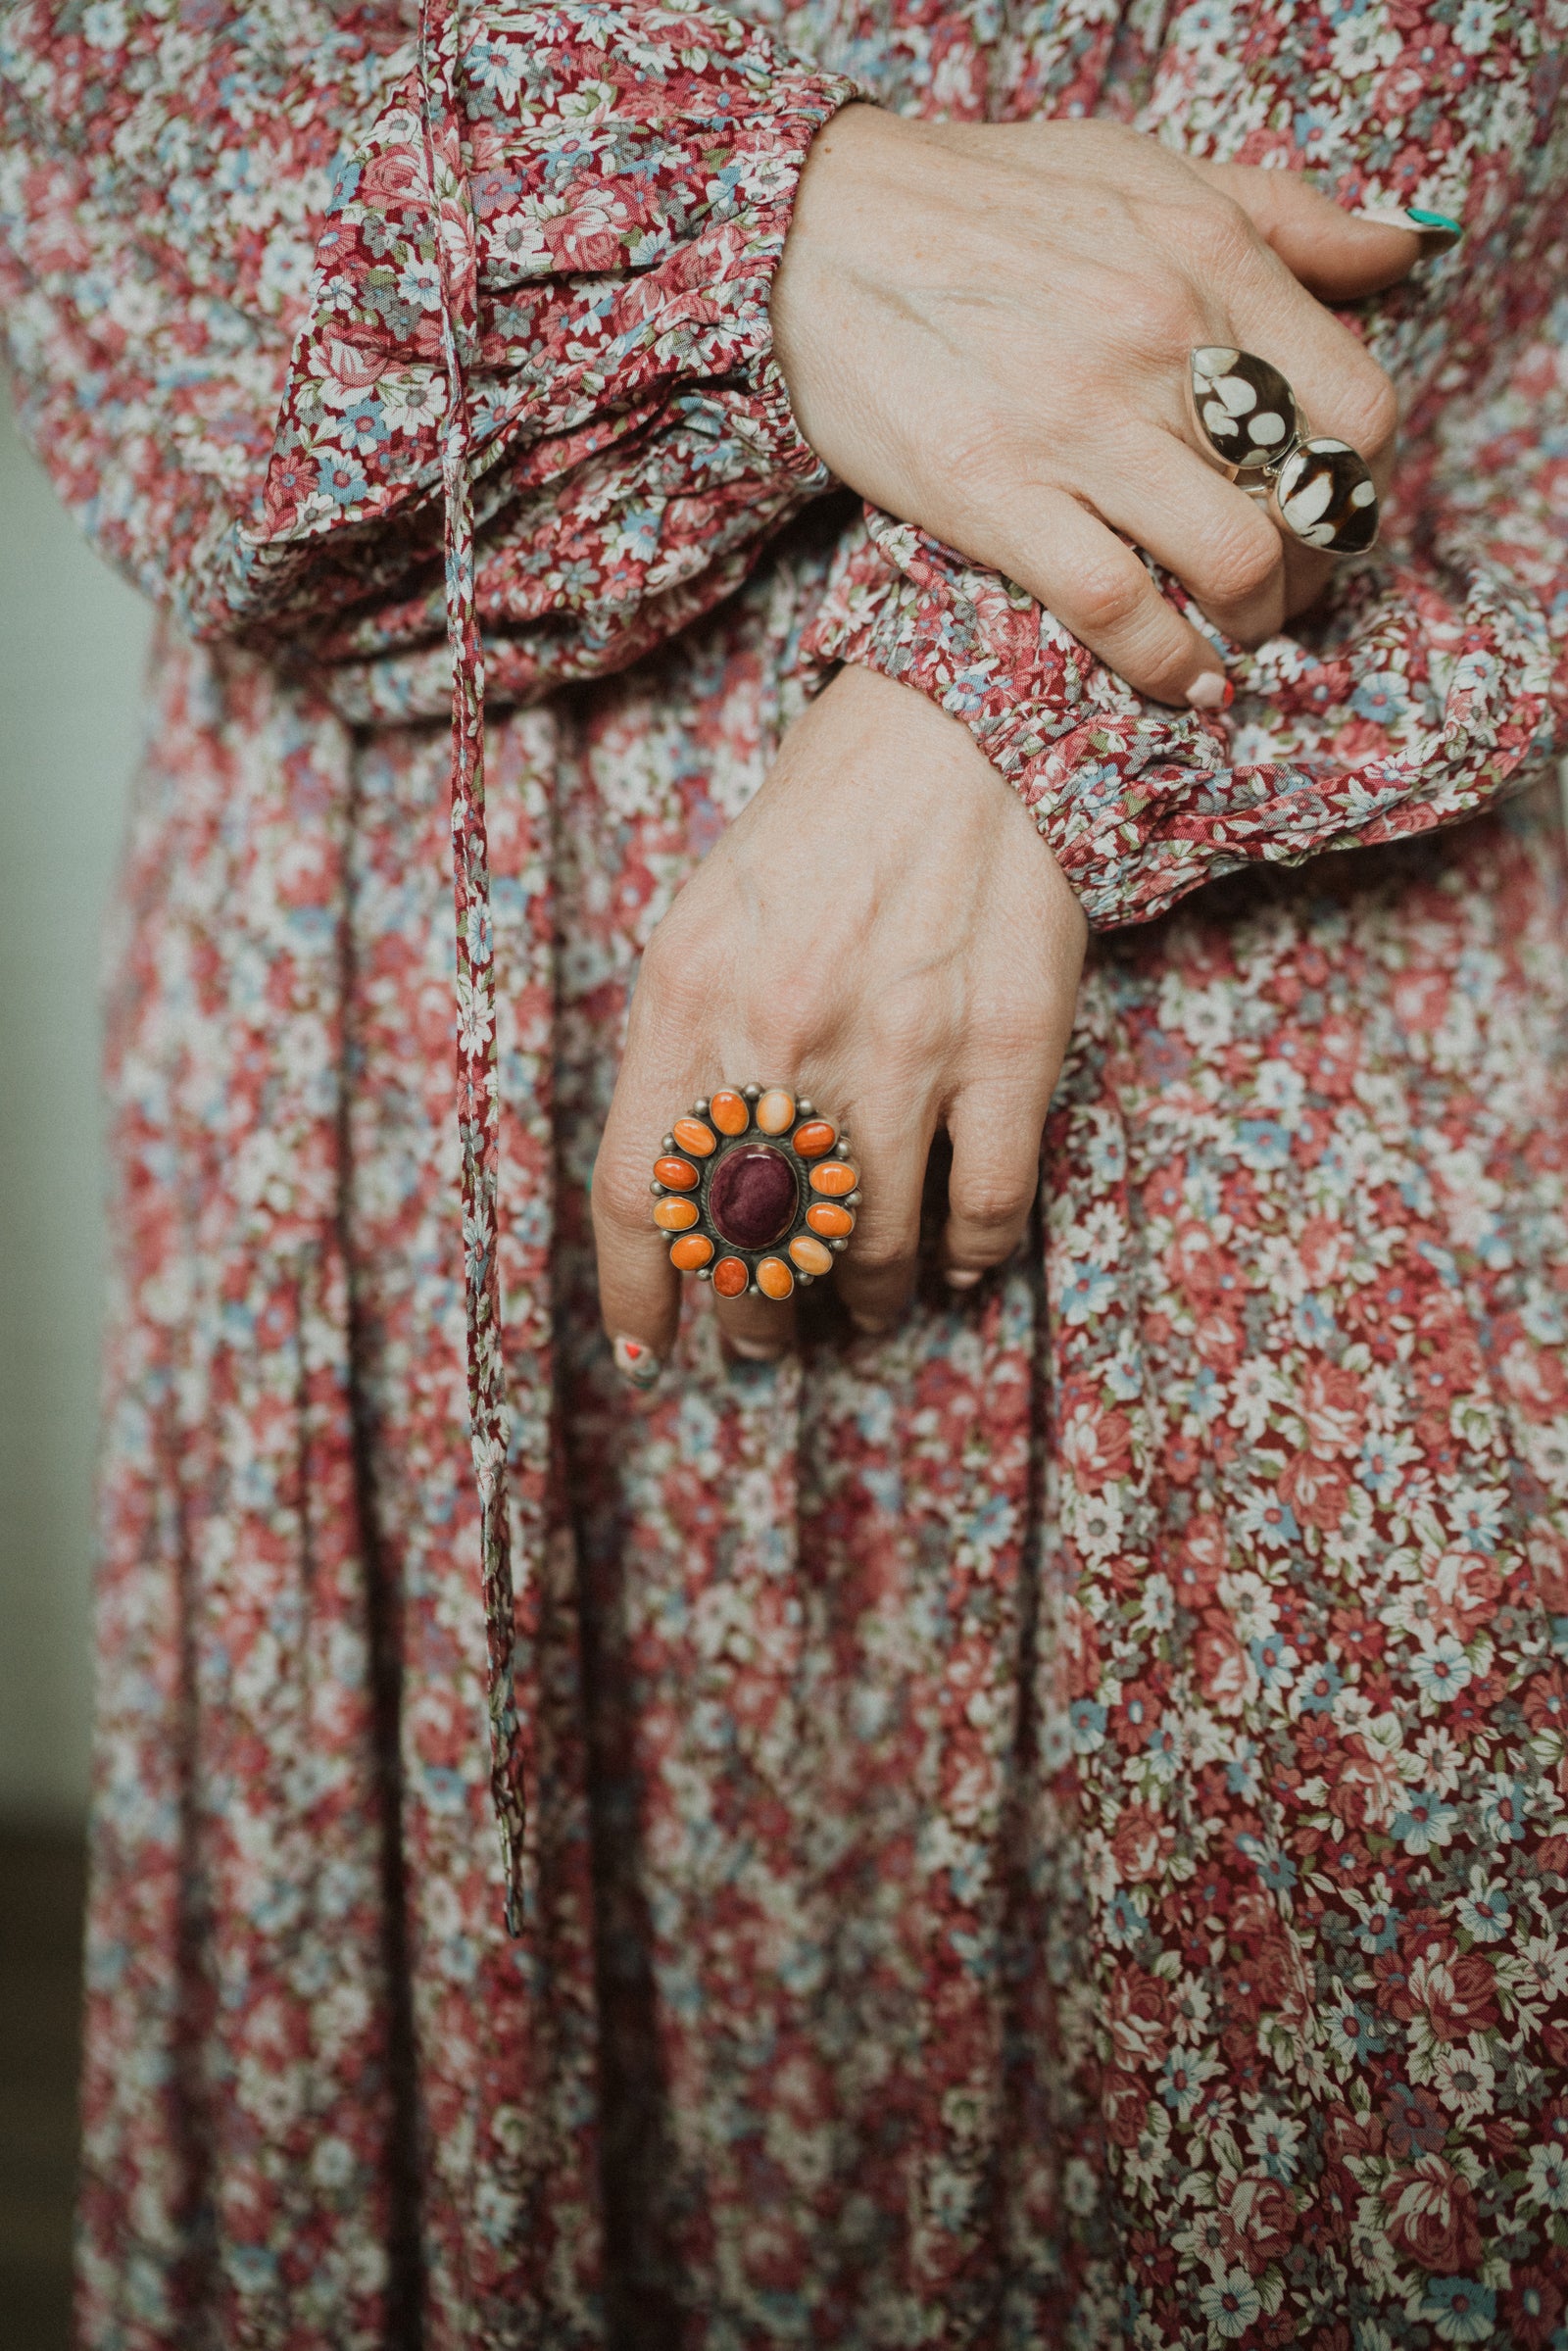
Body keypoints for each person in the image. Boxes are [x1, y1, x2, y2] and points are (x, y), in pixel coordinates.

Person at [2, 0, 1566, 2340]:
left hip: (1237, 914)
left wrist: (1000, 690)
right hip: (421, 956)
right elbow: (106, 124)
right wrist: (784, 227)